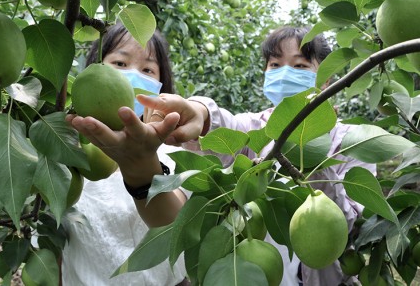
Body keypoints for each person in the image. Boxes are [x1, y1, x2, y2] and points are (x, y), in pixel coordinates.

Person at [136, 26, 377, 286]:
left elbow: (353, 224)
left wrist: (311, 156)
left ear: (326, 79)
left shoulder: (353, 141)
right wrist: (200, 112)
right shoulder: (256, 127)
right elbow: (224, 127)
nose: (285, 73)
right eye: (275, 64)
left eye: (300, 66)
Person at [62, 23, 190, 286]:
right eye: (120, 63)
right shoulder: (65, 154)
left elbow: (174, 225)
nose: (131, 75)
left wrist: (142, 168)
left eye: (147, 70)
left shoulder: (169, 155)